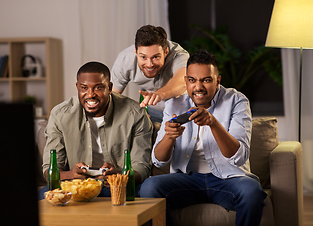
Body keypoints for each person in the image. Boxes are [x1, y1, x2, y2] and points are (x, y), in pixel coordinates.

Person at [140, 49, 267, 226]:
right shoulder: (175, 103)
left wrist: (213, 124)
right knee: (149, 187)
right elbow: (158, 161)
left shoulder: (237, 100)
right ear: (186, 81)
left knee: (252, 191)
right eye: (192, 80)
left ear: (218, 81)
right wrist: (169, 136)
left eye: (206, 80)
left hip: (228, 179)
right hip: (186, 179)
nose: (198, 87)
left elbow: (239, 157)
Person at [41, 61, 153, 199]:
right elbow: (49, 169)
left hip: (118, 187)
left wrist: (118, 176)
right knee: (42, 195)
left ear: (110, 87)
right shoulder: (60, 115)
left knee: (148, 191)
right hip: (79, 187)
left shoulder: (135, 114)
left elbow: (142, 168)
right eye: (84, 88)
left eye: (98, 88)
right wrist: (71, 175)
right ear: (77, 87)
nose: (90, 94)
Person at [111, 25, 189, 123]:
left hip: (180, 108)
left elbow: (182, 81)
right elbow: (112, 97)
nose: (149, 64)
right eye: (143, 57)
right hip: (151, 109)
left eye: (155, 57)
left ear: (166, 52)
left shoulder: (179, 55)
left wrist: (158, 95)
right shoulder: (125, 60)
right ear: (136, 52)